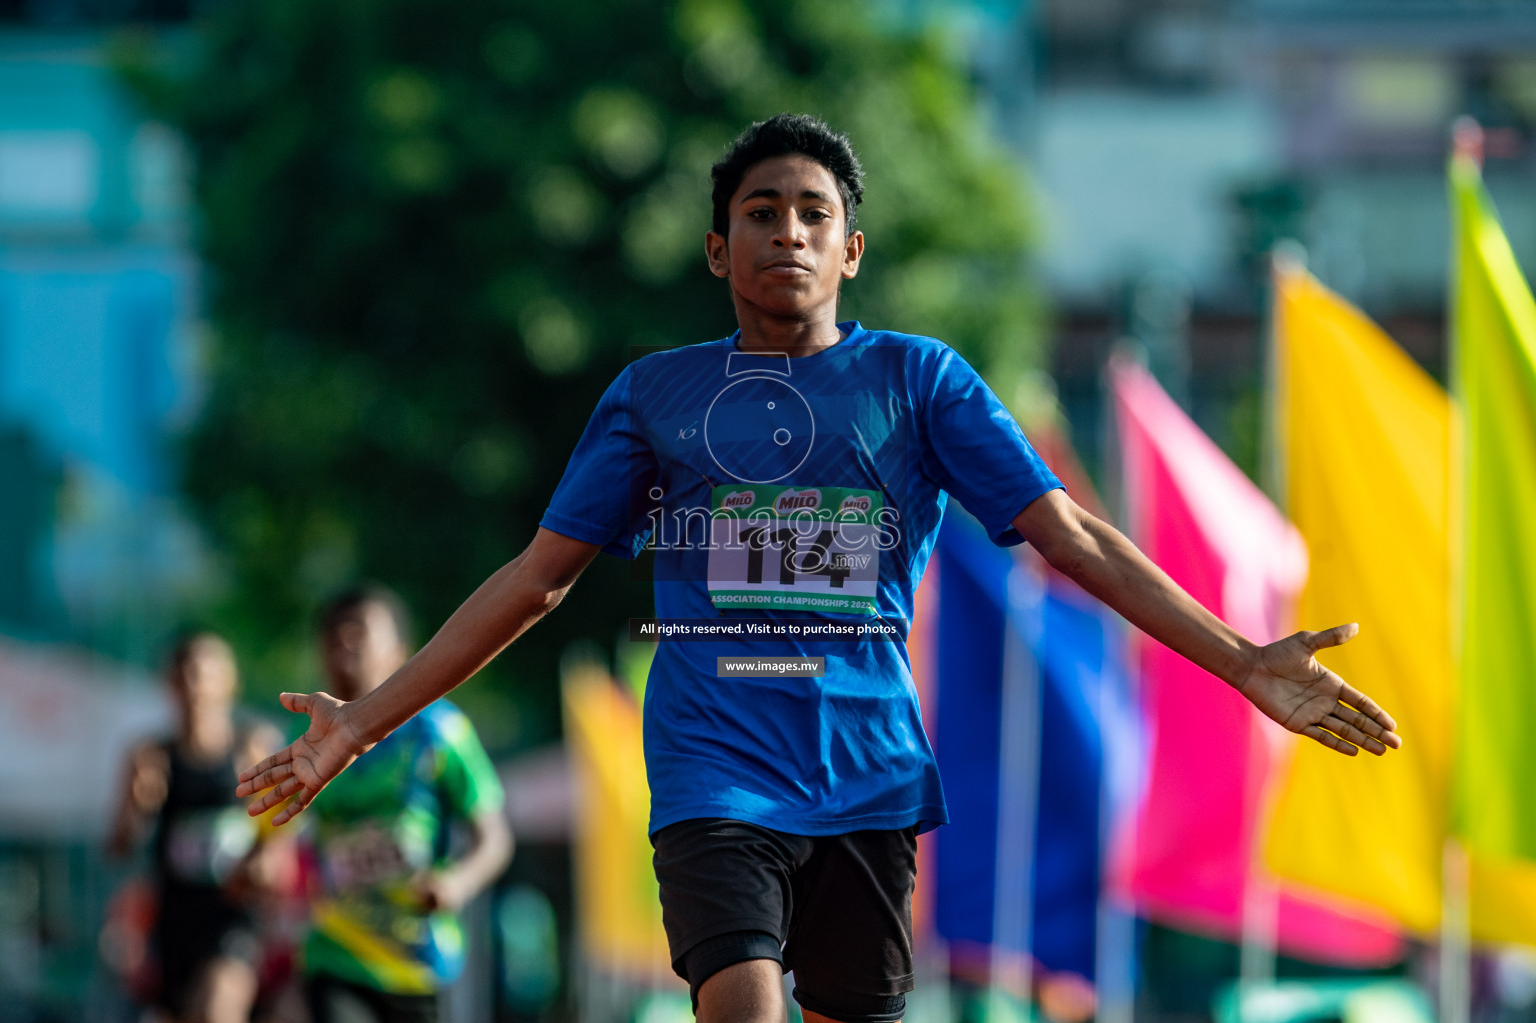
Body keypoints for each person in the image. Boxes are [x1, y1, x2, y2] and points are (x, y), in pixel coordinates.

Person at [238, 114, 1401, 1023]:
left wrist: (1242, 661)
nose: (785, 231)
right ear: (716, 248)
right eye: (758, 211)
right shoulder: (654, 398)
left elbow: (1074, 537)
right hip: (712, 770)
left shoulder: (921, 381)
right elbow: (537, 578)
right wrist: (363, 725)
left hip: (869, 772)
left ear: (851, 247)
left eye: (810, 212)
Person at [297, 586, 512, 1023]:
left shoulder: (440, 733)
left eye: (358, 635)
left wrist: (458, 883)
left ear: (400, 651)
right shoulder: (305, 742)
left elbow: (494, 838)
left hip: (419, 963)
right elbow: (272, 836)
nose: (344, 648)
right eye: (333, 638)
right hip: (337, 952)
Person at [109, 632, 285, 1023]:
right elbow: (118, 848)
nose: (196, 686)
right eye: (185, 674)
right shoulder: (149, 756)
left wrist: (263, 860)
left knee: (218, 1008)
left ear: (229, 680)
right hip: (173, 923)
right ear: (169, 683)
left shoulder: (254, 748)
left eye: (206, 673)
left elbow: (282, 834)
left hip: (233, 918)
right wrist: (138, 807)